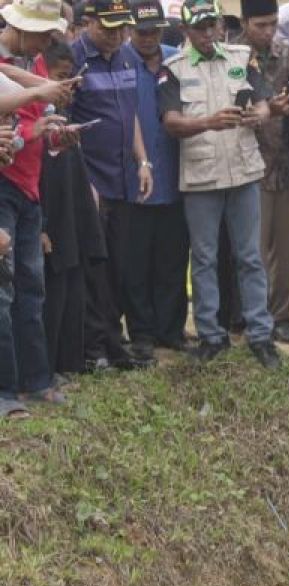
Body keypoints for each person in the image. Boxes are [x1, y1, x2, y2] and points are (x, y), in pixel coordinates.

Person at [158, 0, 283, 369]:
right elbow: (171, 122)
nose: (209, 33)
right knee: (205, 258)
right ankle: (211, 335)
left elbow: (264, 103)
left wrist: (255, 114)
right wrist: (208, 122)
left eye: (213, 25)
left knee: (249, 257)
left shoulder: (241, 57)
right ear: (186, 31)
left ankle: (261, 334)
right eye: (200, 28)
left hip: (243, 171)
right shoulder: (173, 69)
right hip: (201, 176)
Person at [0, 0, 78, 414]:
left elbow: (36, 119)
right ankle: (6, 391)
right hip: (4, 183)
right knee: (3, 289)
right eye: (43, 34)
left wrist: (54, 136)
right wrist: (35, 120)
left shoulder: (34, 61)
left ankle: (35, 380)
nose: (48, 43)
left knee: (32, 288)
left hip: (29, 186)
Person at [71, 0, 157, 365]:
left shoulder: (126, 57)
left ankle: (113, 342)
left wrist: (143, 161)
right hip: (91, 181)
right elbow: (65, 123)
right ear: (88, 22)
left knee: (119, 264)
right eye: (108, 29)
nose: (118, 36)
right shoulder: (74, 59)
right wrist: (83, 180)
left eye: (122, 29)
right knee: (95, 268)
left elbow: (129, 114)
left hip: (123, 177)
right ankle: (95, 350)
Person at [235, 0, 289, 345]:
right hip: (247, 166)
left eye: (273, 24)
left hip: (284, 162)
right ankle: (254, 316)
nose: (268, 32)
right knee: (254, 251)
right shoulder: (231, 56)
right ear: (244, 22)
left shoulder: (288, 53)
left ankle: (282, 316)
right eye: (261, 25)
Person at [123, 0, 190, 354]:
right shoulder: (120, 61)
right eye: (141, 32)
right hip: (134, 180)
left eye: (154, 31)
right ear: (129, 30)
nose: (147, 38)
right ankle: (142, 333)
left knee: (173, 259)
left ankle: (171, 330)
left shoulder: (175, 59)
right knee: (136, 261)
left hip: (177, 177)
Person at [40, 40, 102, 377]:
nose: (68, 88)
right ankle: (47, 368)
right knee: (52, 291)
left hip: (72, 212)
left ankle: (70, 362)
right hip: (47, 216)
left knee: (73, 286)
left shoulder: (64, 111)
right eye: (62, 78)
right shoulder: (32, 114)